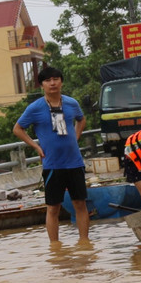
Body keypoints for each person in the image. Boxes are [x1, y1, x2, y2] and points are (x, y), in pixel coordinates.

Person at [13, 65, 89, 242]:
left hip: (75, 162)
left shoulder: (71, 103)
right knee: (53, 207)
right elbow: (17, 129)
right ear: (42, 85)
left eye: (56, 79)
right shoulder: (35, 108)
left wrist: (75, 138)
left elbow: (81, 119)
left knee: (80, 203)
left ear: (61, 82)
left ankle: (85, 242)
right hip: (53, 164)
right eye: (48, 80)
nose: (52, 83)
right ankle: (55, 247)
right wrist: (36, 147)